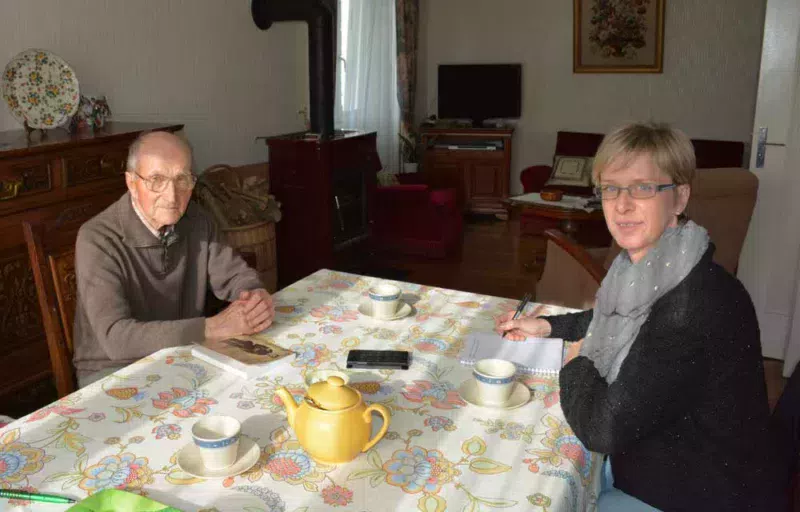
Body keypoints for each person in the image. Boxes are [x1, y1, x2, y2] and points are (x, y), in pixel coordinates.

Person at [495, 123, 785, 511]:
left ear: (679, 197)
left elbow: (601, 428)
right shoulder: (664, 267)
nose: (622, 204)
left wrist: (576, 359)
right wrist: (548, 326)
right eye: (611, 188)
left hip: (691, 493)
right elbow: (615, 319)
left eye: (643, 188)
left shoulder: (691, 305)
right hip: (663, 461)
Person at [73, 131, 275, 387]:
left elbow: (236, 276)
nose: (172, 196)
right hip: (114, 372)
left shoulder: (198, 221)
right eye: (157, 180)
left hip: (182, 354)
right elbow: (117, 338)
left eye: (182, 180)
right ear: (131, 183)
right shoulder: (97, 238)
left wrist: (253, 296)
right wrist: (212, 328)